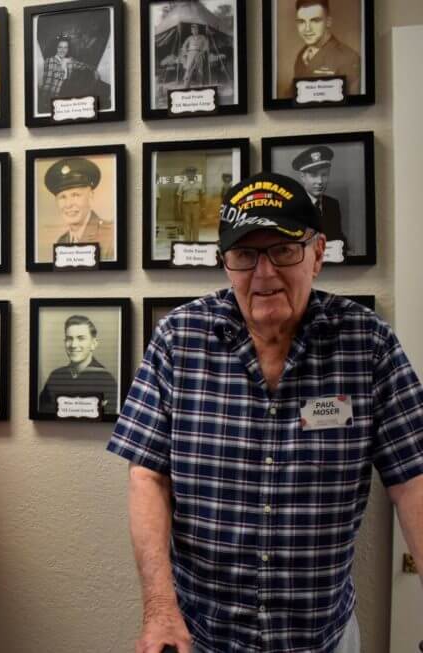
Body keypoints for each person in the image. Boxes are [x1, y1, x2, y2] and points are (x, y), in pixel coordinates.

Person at [108, 171, 423, 653]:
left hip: (323, 637)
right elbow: (146, 476)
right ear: (225, 263)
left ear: (317, 255)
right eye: (245, 255)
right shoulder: (178, 339)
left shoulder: (368, 344)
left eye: (283, 250)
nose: (264, 273)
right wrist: (159, 609)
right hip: (200, 635)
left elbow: (414, 482)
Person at [39, 315, 118, 416]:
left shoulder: (106, 380)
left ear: (93, 344)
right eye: (69, 339)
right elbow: (43, 414)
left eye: (81, 338)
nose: (73, 345)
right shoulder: (55, 376)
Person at [46, 156, 114, 260]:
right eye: (62, 197)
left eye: (75, 195)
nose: (68, 204)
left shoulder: (110, 236)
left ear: (90, 195)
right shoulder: (62, 241)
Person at [291, 0, 361, 96]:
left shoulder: (349, 58)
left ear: (328, 22)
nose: (307, 29)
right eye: (301, 22)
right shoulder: (301, 55)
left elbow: (353, 103)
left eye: (315, 21)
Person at [292, 145, 348, 245]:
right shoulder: (293, 206)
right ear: (302, 177)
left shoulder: (333, 204)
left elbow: (337, 236)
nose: (320, 181)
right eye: (314, 175)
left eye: (324, 175)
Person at [175, 167, 205, 242]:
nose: (191, 174)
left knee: (196, 225)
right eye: (189, 173)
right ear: (186, 174)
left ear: (195, 174)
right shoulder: (182, 184)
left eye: (192, 173)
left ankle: (195, 242)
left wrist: (203, 208)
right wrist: (179, 209)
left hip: (196, 206)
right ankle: (187, 243)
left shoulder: (200, 184)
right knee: (186, 225)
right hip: (186, 206)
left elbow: (202, 197)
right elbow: (179, 198)